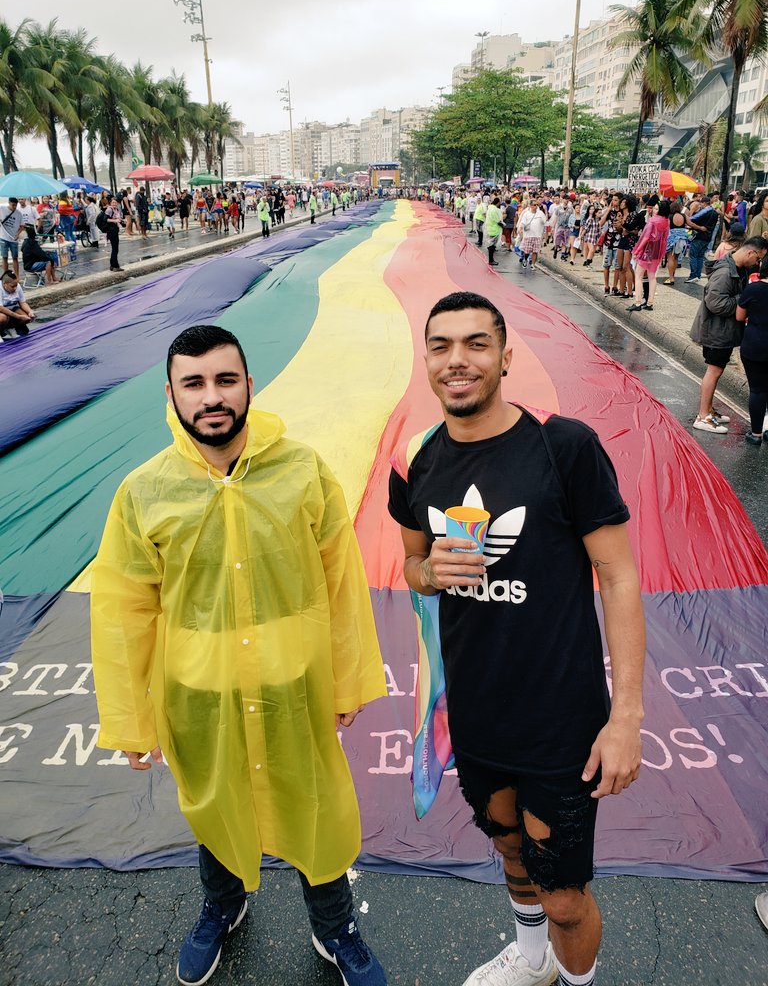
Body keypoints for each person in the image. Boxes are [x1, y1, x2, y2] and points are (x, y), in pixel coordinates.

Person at [91, 324, 388, 986]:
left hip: (297, 692)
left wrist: (347, 681)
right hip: (201, 699)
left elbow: (341, 583)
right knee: (216, 807)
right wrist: (132, 717)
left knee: (320, 814)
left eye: (225, 380)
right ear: (170, 395)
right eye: (194, 384)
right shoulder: (143, 492)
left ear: (250, 385)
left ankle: (335, 926)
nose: (212, 397)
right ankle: (222, 908)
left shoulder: (303, 470)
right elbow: (122, 611)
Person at [388, 292, 644, 986]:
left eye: (476, 343)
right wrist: (428, 571)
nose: (457, 360)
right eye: (440, 345)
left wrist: (627, 717)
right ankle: (532, 963)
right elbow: (411, 568)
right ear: (428, 360)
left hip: (561, 721)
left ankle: (573, 974)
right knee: (507, 849)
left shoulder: (563, 447)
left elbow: (619, 577)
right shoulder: (415, 461)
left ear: (506, 357)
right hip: (474, 713)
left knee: (564, 897)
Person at [689, 236, 767, 434]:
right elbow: (715, 303)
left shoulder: (736, 267)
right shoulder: (725, 272)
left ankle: (709, 410)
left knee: (717, 369)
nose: (757, 263)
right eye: (758, 259)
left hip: (722, 329)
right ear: (751, 252)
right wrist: (742, 300)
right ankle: (702, 416)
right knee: (713, 370)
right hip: (716, 329)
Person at [735, 252, 768, 444]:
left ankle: (755, 434)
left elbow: (740, 316)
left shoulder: (753, 289)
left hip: (755, 344)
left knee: (757, 390)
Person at [627, 200, 670, 313]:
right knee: (652, 276)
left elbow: (645, 238)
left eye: (656, 209)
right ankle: (650, 302)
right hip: (657, 252)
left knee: (639, 276)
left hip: (647, 251)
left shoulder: (652, 221)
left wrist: (637, 250)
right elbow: (665, 239)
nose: (654, 211)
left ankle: (637, 302)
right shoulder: (667, 222)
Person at [685, 195, 719, 285]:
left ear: (704, 203)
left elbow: (692, 219)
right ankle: (698, 275)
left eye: (701, 204)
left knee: (693, 255)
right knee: (700, 256)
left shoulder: (705, 211)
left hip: (699, 236)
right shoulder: (715, 212)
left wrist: (687, 215)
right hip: (708, 237)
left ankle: (693, 275)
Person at [0, 270, 36, 336]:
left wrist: (30, 311)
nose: (15, 288)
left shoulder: (17, 286)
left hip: (12, 308)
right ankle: (2, 329)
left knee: (27, 318)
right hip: (2, 311)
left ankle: (15, 327)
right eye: (12, 286)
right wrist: (19, 317)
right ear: (5, 284)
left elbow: (22, 302)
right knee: (2, 318)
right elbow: (1, 308)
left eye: (16, 285)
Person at [518, 200, 546, 269]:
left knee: (535, 251)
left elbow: (544, 221)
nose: (536, 206)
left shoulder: (540, 213)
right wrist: (521, 228)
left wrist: (542, 218)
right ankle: (525, 259)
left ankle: (533, 264)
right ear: (530, 206)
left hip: (537, 235)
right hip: (528, 235)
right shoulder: (526, 214)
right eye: (534, 205)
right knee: (527, 251)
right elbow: (523, 222)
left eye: (537, 205)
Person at [0, 197, 24, 278]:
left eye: (15, 205)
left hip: (13, 239)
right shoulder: (2, 209)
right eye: (13, 205)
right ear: (9, 203)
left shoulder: (18, 213)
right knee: (4, 257)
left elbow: (22, 226)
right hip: (3, 237)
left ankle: (17, 275)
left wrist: (18, 234)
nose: (14, 207)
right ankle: (5, 276)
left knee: (15, 257)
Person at [102, 196, 123, 272]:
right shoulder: (109, 209)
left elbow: (117, 219)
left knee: (115, 249)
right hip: (111, 230)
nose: (114, 204)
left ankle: (112, 265)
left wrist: (120, 221)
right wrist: (114, 221)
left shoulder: (116, 210)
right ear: (110, 203)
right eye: (113, 202)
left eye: (115, 202)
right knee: (115, 249)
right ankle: (115, 266)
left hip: (114, 230)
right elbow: (105, 219)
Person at [485, 197, 503, 267]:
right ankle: (491, 260)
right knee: (492, 246)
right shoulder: (494, 210)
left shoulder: (490, 208)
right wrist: (503, 225)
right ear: (498, 203)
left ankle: (491, 259)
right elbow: (497, 220)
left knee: (491, 245)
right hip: (494, 229)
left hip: (490, 228)